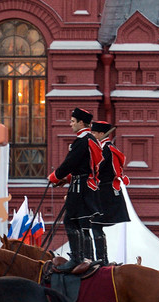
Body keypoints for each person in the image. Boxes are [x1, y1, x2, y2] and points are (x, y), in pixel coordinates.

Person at [47, 107, 102, 271]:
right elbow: (86, 166)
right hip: (83, 184)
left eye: (72, 121)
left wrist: (55, 176)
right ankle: (83, 256)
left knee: (70, 221)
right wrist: (67, 179)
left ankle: (77, 258)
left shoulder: (82, 141)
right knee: (78, 221)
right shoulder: (91, 139)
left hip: (79, 188)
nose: (70, 124)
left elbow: (70, 163)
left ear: (81, 122)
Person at [89, 121, 130, 265]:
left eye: (94, 133)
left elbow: (96, 169)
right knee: (93, 224)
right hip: (101, 192)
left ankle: (101, 259)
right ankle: (97, 258)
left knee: (95, 224)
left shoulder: (106, 149)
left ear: (101, 134)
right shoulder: (102, 148)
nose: (92, 135)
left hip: (105, 194)